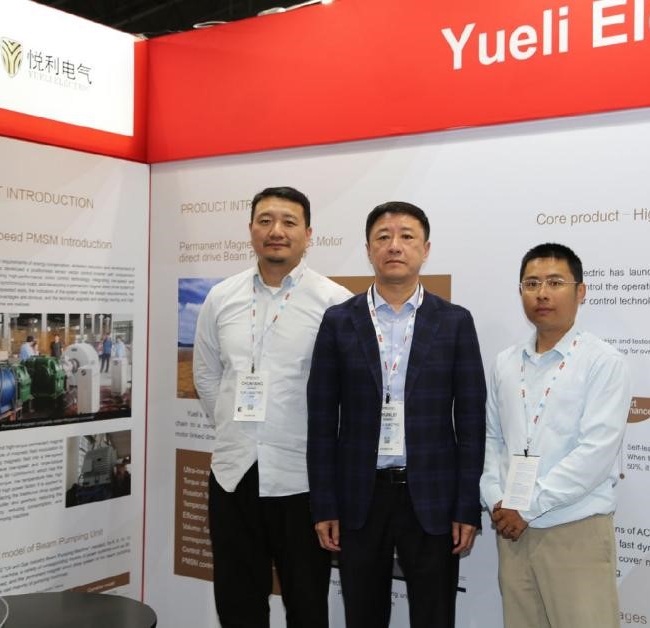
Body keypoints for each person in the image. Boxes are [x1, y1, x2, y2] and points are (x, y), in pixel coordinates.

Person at [307, 201, 486, 628]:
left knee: (434, 615)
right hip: (359, 496)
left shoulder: (454, 322)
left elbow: (471, 422)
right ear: (369, 249)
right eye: (383, 237)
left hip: (432, 497)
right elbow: (321, 420)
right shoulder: (339, 321)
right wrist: (324, 503)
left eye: (407, 236)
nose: (394, 246)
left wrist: (466, 505)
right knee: (363, 615)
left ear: (426, 249)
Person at [194, 186, 351, 628]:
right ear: (251, 230)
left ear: (308, 234)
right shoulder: (221, 297)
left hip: (300, 479)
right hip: (233, 474)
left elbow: (346, 395)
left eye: (288, 222)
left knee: (306, 605)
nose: (275, 231)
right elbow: (207, 375)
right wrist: (237, 428)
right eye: (265, 221)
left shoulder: (334, 303)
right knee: (238, 603)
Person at [480, 243, 631, 628]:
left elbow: (595, 453)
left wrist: (527, 507)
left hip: (573, 529)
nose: (542, 293)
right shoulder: (505, 363)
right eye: (531, 283)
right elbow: (492, 440)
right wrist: (496, 499)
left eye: (554, 282)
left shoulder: (603, 362)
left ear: (581, 292)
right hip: (512, 531)